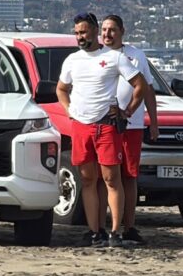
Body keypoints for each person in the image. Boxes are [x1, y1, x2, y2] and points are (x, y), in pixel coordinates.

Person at [57, 13, 149, 247]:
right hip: (81, 126)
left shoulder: (114, 57)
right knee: (88, 180)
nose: (80, 37)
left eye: (84, 32)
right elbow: (61, 89)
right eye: (77, 33)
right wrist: (68, 110)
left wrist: (127, 111)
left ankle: (116, 231)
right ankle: (94, 230)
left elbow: (140, 85)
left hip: (106, 127)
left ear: (95, 31)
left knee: (111, 178)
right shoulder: (72, 60)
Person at [98, 14, 159, 244]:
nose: (107, 34)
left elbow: (148, 90)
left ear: (122, 31)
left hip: (131, 126)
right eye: (104, 29)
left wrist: (153, 121)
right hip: (103, 125)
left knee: (129, 176)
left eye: (112, 29)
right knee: (105, 177)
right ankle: (103, 226)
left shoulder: (135, 55)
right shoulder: (96, 56)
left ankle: (129, 226)